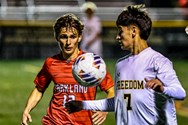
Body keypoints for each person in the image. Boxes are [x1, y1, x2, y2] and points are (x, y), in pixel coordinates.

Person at [65, 4, 186, 125]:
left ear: (133, 31)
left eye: (120, 31)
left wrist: (162, 89)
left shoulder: (158, 61)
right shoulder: (120, 65)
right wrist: (83, 105)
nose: (117, 36)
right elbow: (119, 101)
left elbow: (180, 93)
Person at [21, 13, 114, 125]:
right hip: (54, 121)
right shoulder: (50, 63)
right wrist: (27, 110)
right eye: (64, 37)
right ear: (57, 38)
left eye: (73, 37)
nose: (68, 42)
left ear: (80, 37)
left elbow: (111, 91)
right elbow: (39, 89)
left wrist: (104, 109)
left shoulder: (92, 63)